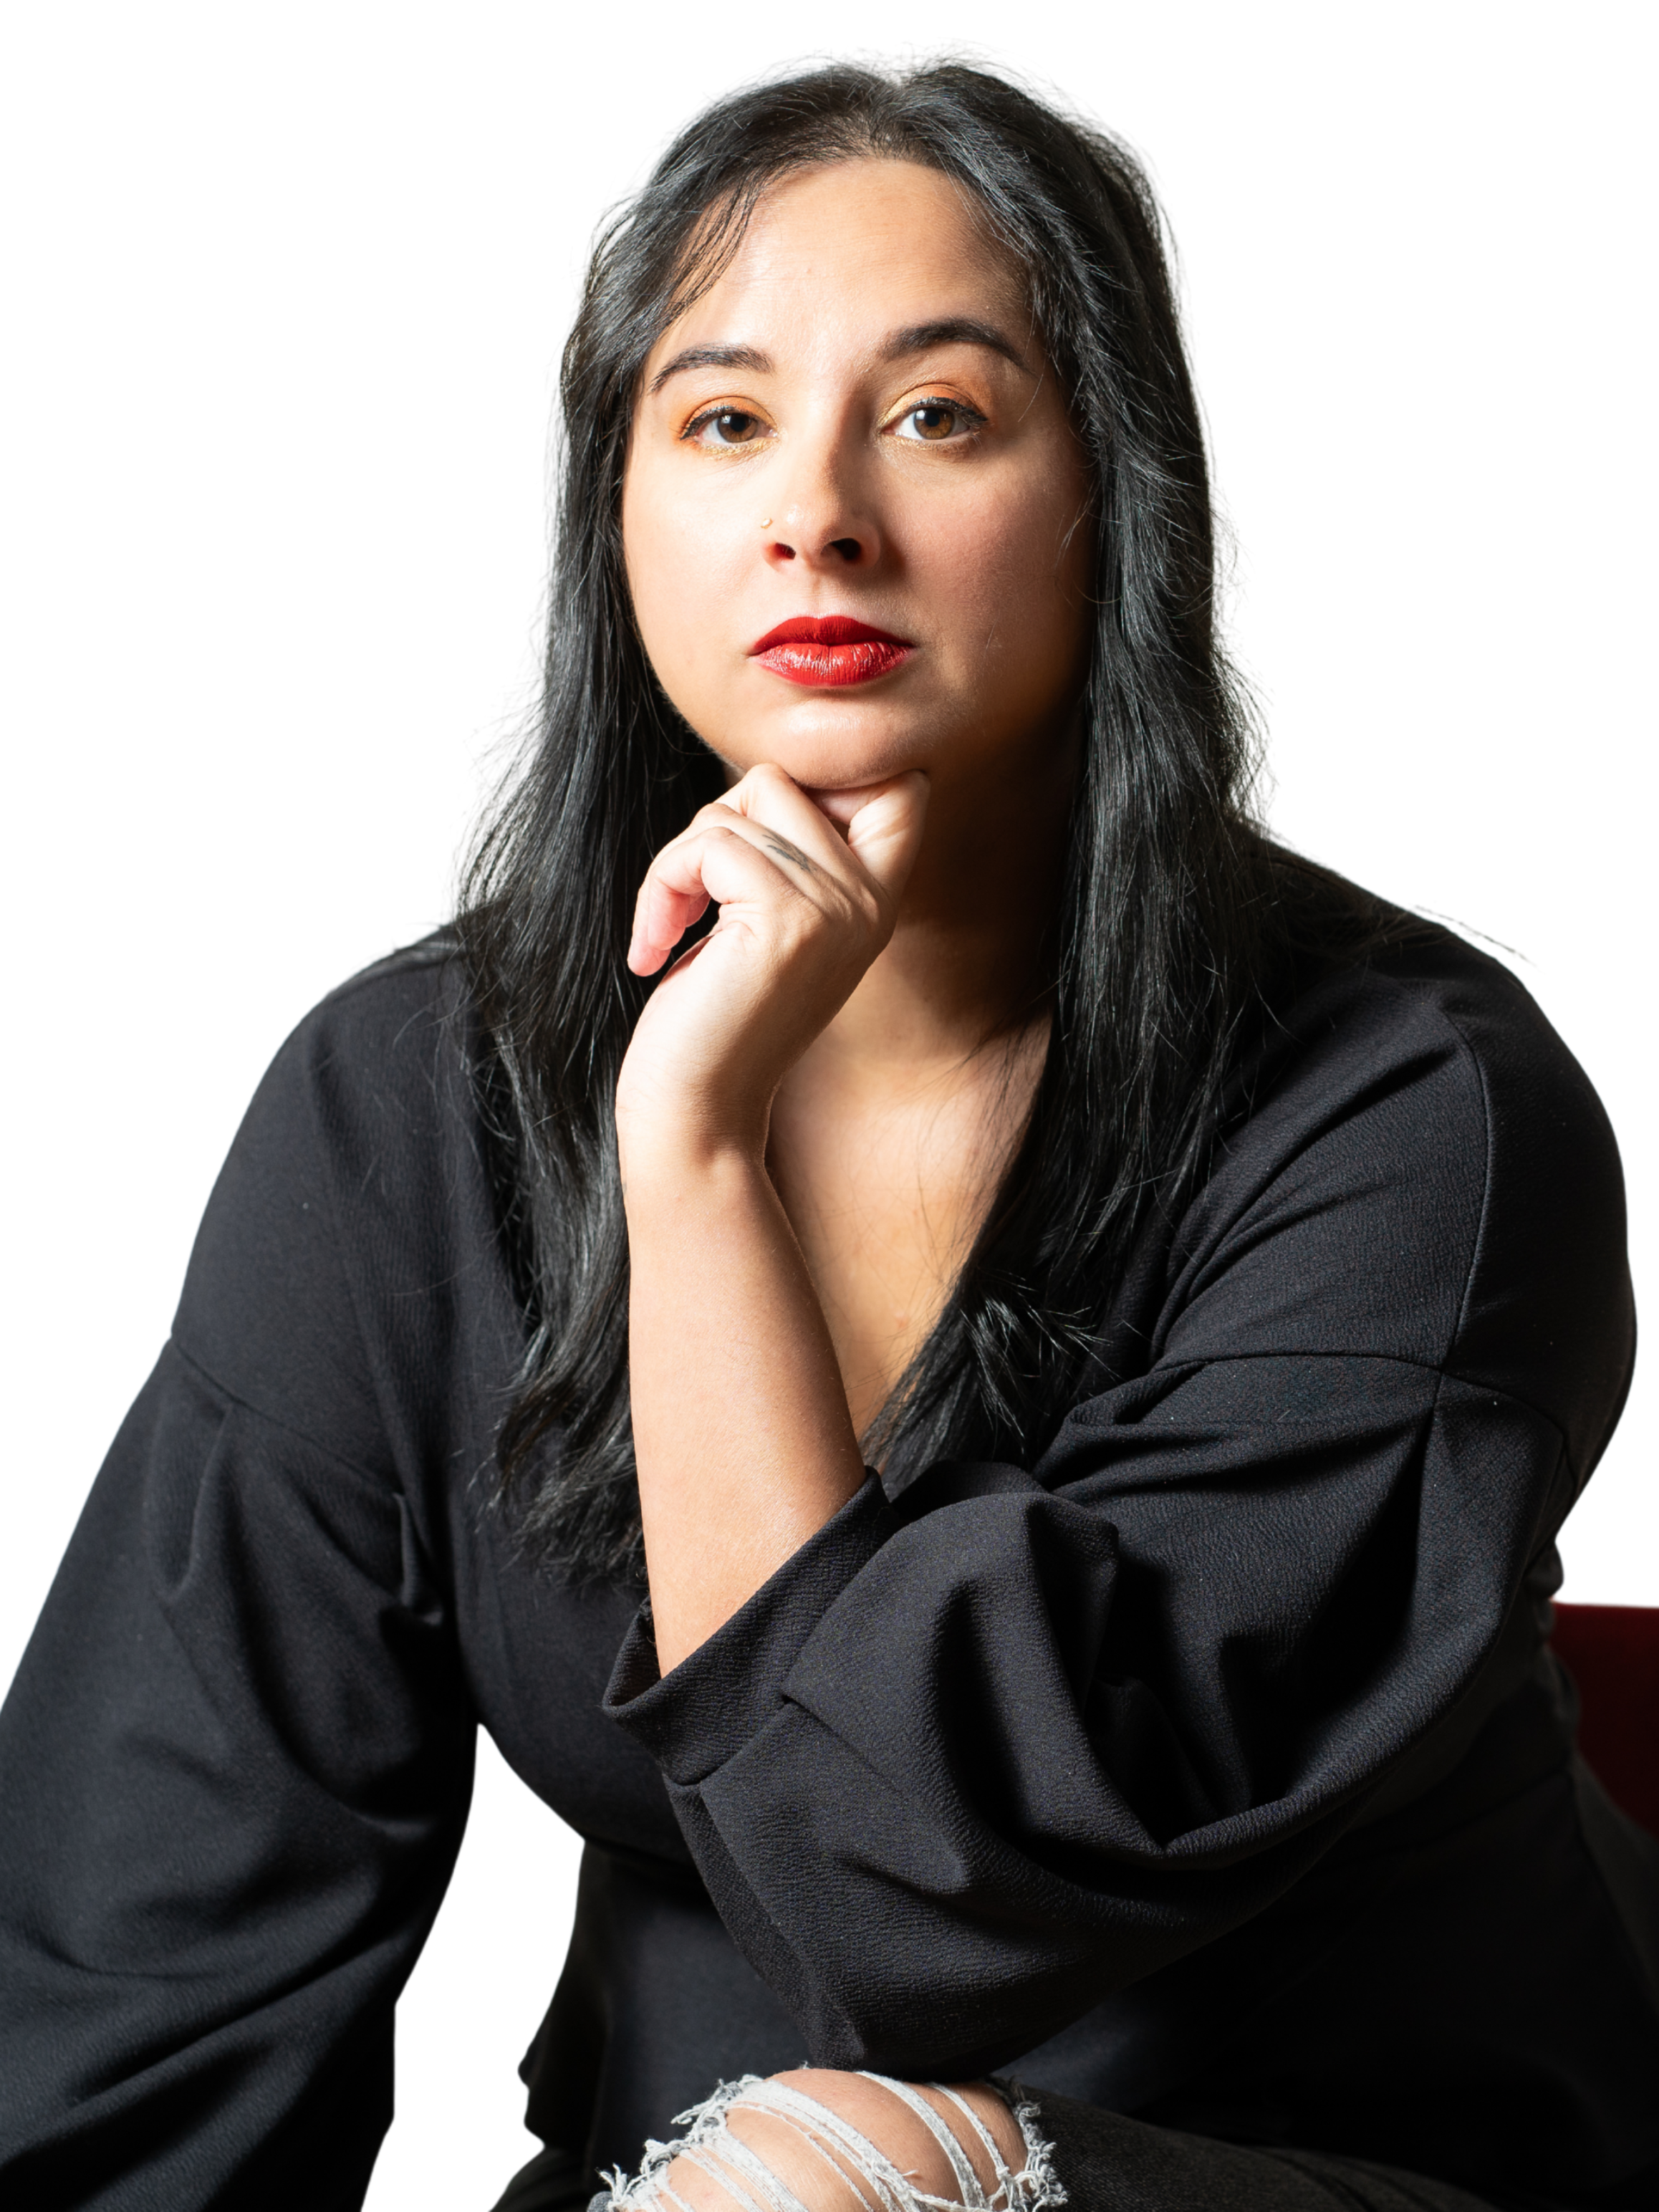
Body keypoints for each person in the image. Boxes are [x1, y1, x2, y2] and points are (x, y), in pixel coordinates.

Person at [1, 57, 1654, 2212]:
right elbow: (144, 1958)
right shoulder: (411, 1103)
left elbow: (925, 1912)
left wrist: (690, 1159)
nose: (817, 516)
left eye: (940, 415)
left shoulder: (1408, 1106)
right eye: (719, 421)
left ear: (1114, 498)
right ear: (616, 514)